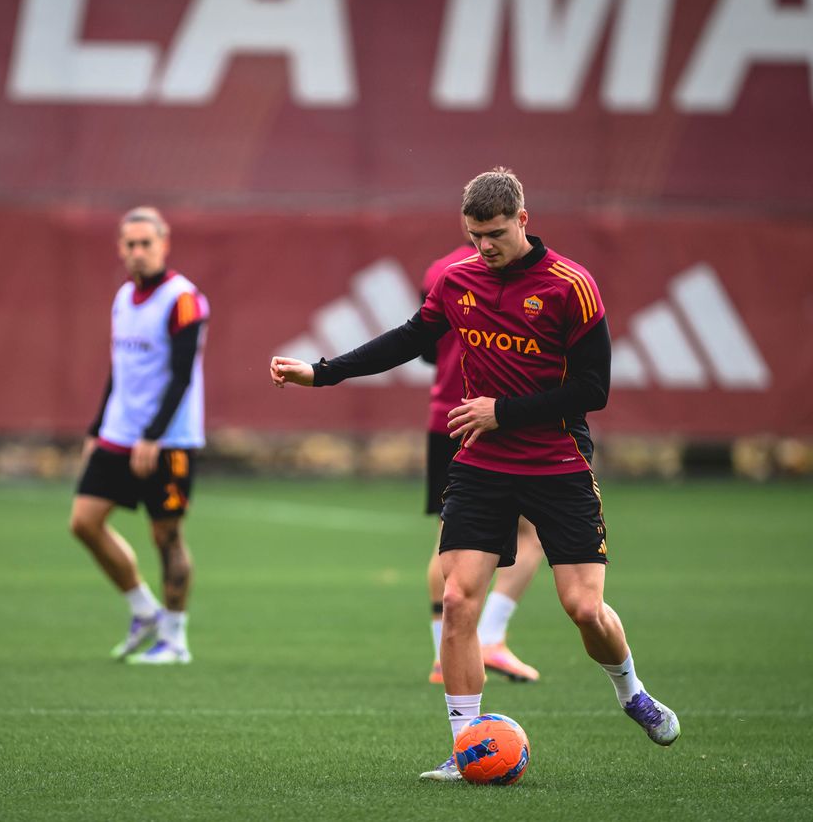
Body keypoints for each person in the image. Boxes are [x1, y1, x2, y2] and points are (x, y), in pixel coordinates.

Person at [270, 168, 679, 781]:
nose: (483, 246)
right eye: (472, 235)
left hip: (558, 463)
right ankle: (468, 748)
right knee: (458, 599)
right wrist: (322, 372)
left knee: (583, 609)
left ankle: (631, 692)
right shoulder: (456, 279)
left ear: (523, 220)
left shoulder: (572, 287)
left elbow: (593, 389)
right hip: (482, 465)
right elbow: (409, 339)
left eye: (493, 233)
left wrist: (502, 411)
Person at [69, 206, 208, 666]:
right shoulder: (123, 297)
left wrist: (153, 435)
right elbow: (120, 370)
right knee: (84, 522)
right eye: (130, 244)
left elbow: (182, 375)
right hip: (119, 433)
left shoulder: (183, 299)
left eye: (146, 243)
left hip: (166, 440)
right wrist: (96, 428)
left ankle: (175, 639)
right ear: (120, 249)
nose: (138, 252)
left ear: (164, 244)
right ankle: (142, 610)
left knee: (165, 536)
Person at [420, 244, 544, 686]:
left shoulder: (441, 268)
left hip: (446, 416)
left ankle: (443, 655)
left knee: (449, 535)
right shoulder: (537, 277)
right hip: (496, 416)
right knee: (531, 532)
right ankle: (489, 636)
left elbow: (426, 350)